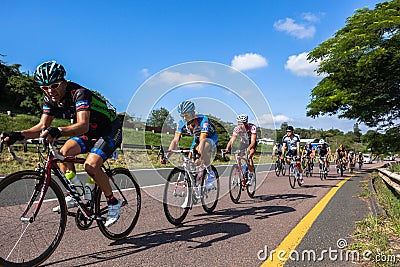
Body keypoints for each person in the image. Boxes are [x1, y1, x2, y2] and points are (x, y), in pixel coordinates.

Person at [0, 61, 122, 227]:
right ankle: (76, 191)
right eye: (44, 88)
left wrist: (58, 130)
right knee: (63, 154)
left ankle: (113, 201)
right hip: (89, 133)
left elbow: (82, 125)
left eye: (55, 85)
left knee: (91, 166)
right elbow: (41, 127)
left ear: (64, 82)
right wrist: (18, 135)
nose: (50, 91)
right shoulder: (50, 99)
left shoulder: (79, 94)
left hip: (109, 130)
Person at [160, 100, 218, 190]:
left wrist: (200, 157)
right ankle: (195, 180)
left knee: (200, 150)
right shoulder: (181, 123)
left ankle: (210, 173)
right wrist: (167, 157)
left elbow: (202, 140)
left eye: (186, 115)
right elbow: (175, 141)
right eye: (182, 115)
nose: (184, 118)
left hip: (209, 138)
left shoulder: (203, 120)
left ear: (193, 113)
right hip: (197, 138)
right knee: (190, 159)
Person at [223, 114, 257, 185]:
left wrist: (248, 148)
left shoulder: (252, 127)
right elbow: (232, 140)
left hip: (251, 143)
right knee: (237, 156)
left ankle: (251, 175)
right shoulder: (237, 129)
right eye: (239, 123)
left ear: (246, 122)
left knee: (248, 156)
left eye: (242, 123)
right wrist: (227, 148)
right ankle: (242, 170)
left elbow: (253, 141)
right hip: (243, 143)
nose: (240, 125)